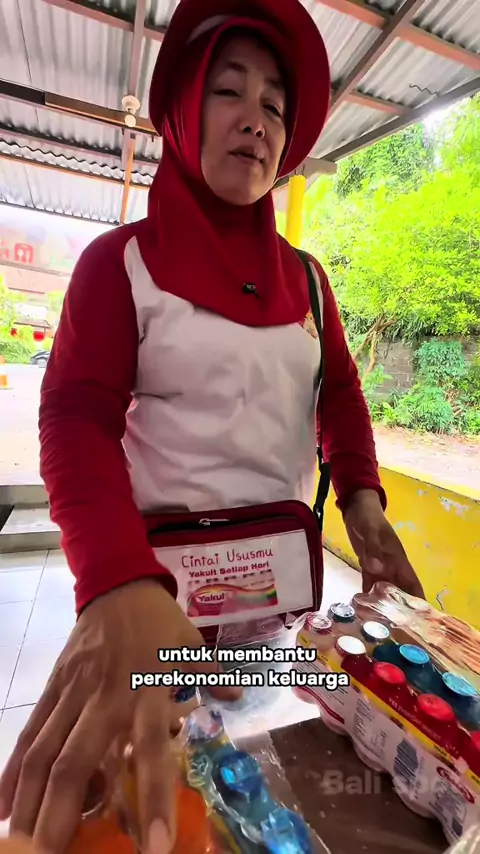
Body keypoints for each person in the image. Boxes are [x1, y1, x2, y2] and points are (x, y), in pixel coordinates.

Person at [0, 0, 423, 851]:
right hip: (153, 606)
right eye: (229, 90)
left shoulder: (309, 282)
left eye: (275, 105)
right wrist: (115, 585)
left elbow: (340, 393)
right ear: (183, 112)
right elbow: (75, 417)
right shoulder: (120, 264)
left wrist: (363, 502)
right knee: (150, 805)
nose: (255, 119)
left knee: (261, 786)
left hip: (274, 606)